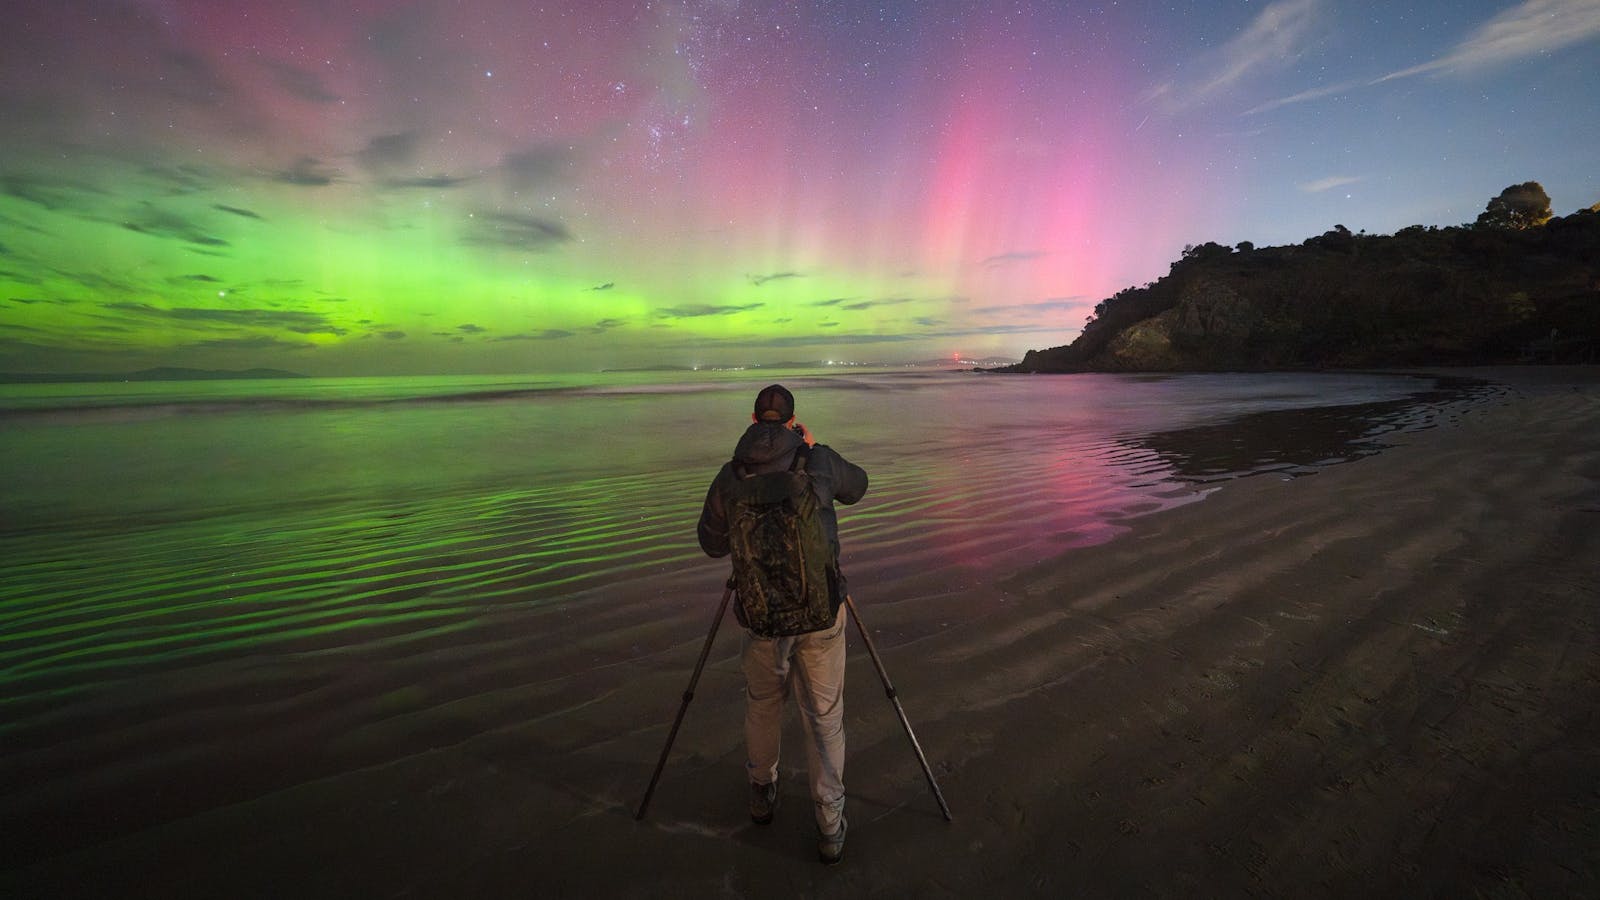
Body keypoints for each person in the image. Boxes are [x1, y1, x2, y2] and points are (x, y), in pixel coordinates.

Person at [697, 383, 868, 865]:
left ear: (754, 420)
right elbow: (859, 486)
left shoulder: (730, 476)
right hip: (819, 613)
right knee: (825, 716)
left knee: (762, 705)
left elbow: (711, 544)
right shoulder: (817, 460)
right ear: (792, 422)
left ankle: (761, 792)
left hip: (760, 619)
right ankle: (830, 824)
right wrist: (813, 449)